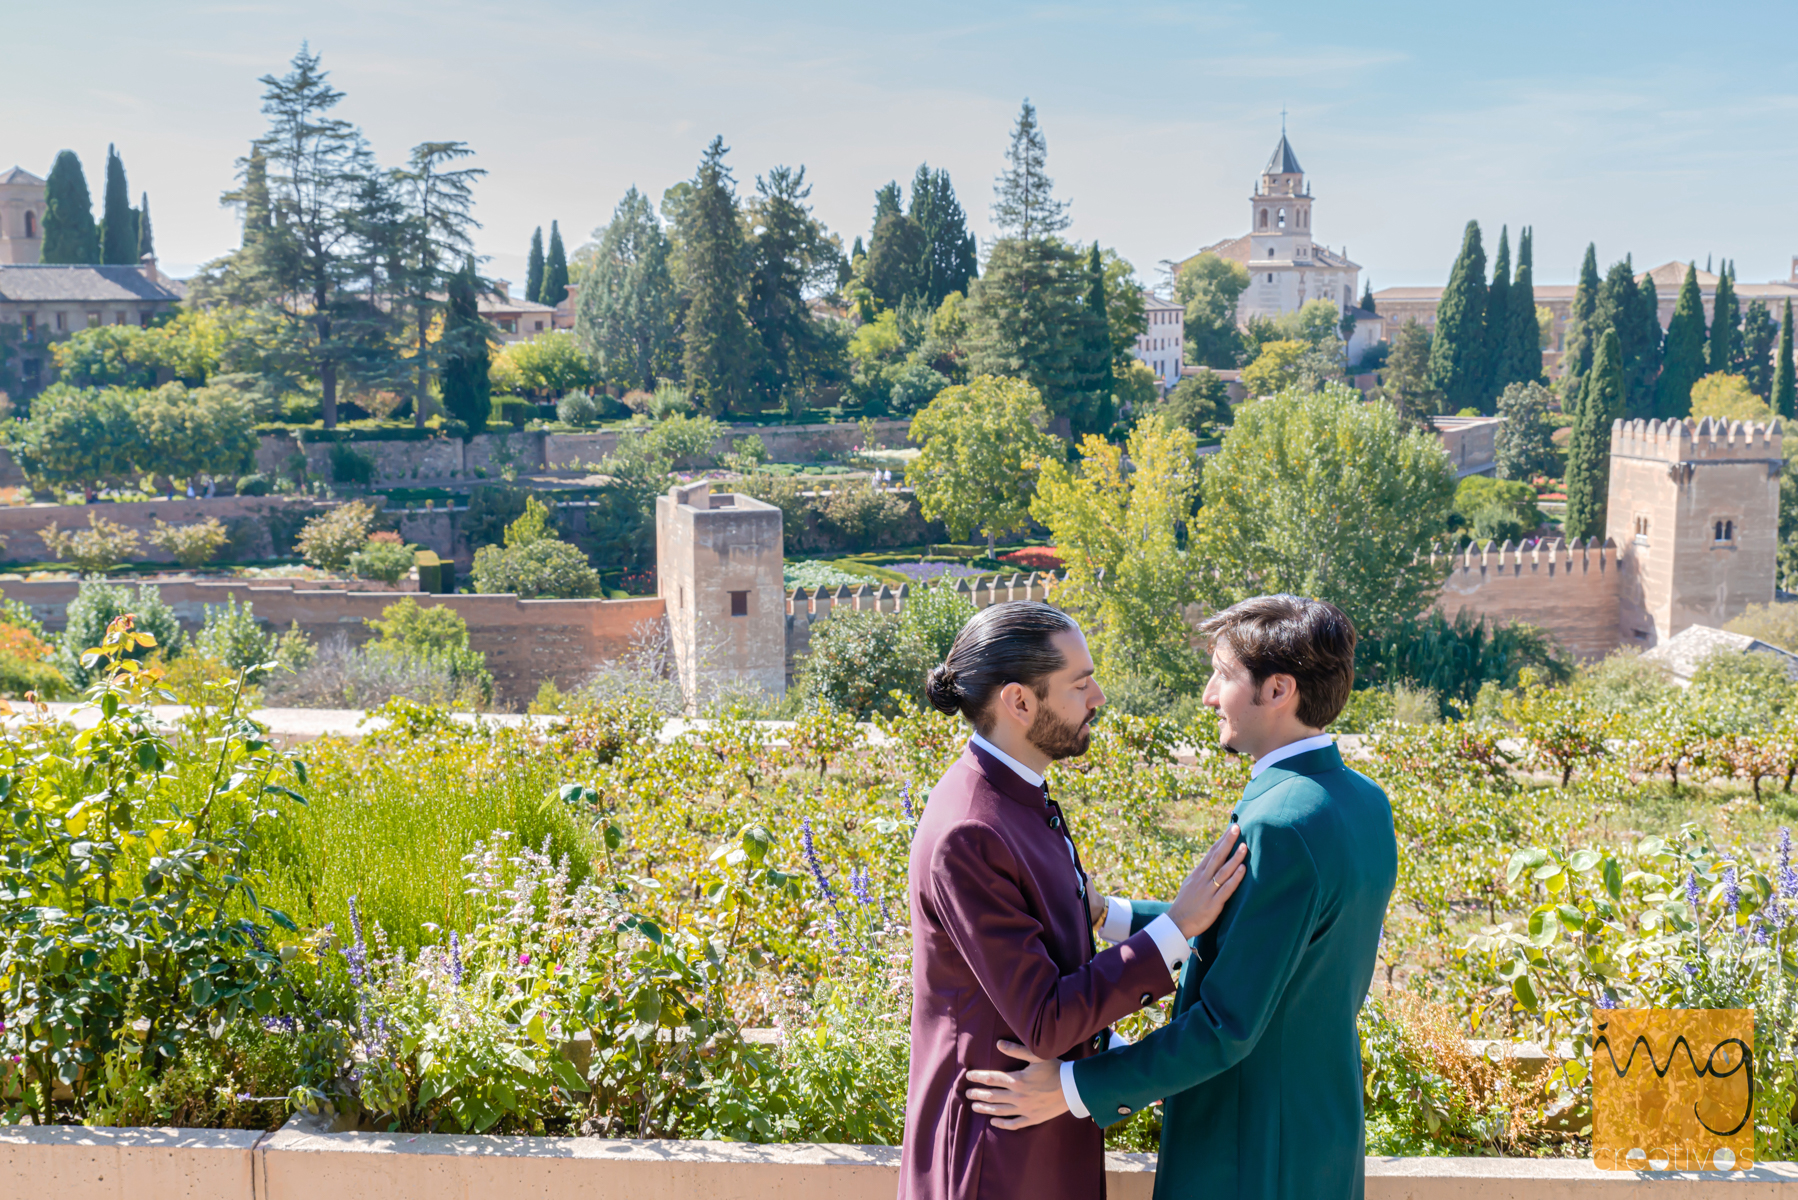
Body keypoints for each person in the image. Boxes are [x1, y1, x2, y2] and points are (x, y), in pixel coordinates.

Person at [965, 594, 1398, 1200]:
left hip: (1247, 1153)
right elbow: (1254, 938)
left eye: (1222, 674)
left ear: (1278, 690)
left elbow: (1225, 1025)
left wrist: (1070, 1086)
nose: (1208, 695)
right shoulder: (1361, 802)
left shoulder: (1280, 823)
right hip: (1318, 1137)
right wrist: (1112, 915)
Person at [900, 600, 1246, 1200]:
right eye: (1080, 683)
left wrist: (1120, 1066)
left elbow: (1056, 974)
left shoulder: (1016, 800)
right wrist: (1176, 926)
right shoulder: (971, 831)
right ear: (1019, 702)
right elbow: (1044, 1019)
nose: (1099, 697)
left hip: (1037, 1147)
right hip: (995, 1165)